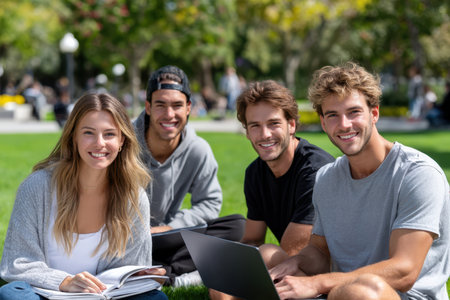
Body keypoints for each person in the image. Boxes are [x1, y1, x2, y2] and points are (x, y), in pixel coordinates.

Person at [270, 62, 449, 300]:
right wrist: (296, 263)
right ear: (323, 123)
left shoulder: (417, 174)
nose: (344, 125)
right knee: (266, 257)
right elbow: (320, 252)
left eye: (354, 112)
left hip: (397, 295)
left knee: (359, 292)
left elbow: (404, 271)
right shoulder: (326, 177)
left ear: (374, 113)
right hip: (339, 292)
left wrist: (318, 284)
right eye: (333, 115)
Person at [0, 93, 168, 300]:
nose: (99, 143)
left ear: (122, 140)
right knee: (11, 294)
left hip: (102, 296)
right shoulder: (37, 187)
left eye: (109, 134)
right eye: (89, 133)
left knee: (155, 298)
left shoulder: (133, 197)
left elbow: (128, 271)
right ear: (73, 137)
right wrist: (64, 282)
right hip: (46, 295)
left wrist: (137, 274)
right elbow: (17, 262)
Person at [210, 80, 335, 300]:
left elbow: (293, 251)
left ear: (292, 125)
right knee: (220, 286)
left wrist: (247, 265)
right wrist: (227, 263)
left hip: (328, 273)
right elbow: (252, 239)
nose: (265, 134)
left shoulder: (315, 170)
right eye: (255, 126)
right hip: (289, 265)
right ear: (247, 132)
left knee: (267, 254)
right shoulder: (255, 173)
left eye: (273, 123)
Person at [133, 65, 245, 287]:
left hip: (165, 236)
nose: (169, 114)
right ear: (148, 107)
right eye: (160, 105)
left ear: (188, 108)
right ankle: (157, 266)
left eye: (177, 106)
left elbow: (209, 203)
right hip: (125, 237)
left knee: (237, 226)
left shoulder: (197, 149)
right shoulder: (122, 143)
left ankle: (167, 272)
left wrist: (170, 228)